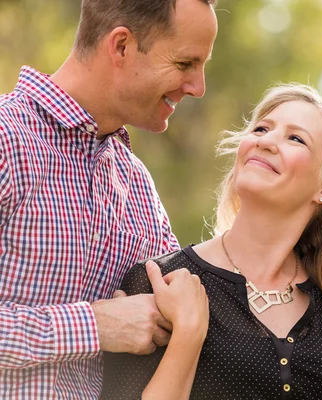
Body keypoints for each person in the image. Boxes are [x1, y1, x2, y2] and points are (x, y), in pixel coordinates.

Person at [101, 84, 322, 399]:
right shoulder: (161, 282)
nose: (266, 141)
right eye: (261, 129)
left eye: (295, 139)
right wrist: (188, 334)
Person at [0, 0, 218, 397]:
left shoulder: (136, 184)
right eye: (186, 64)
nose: (198, 88)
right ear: (121, 46)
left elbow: (198, 310)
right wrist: (96, 326)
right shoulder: (5, 139)